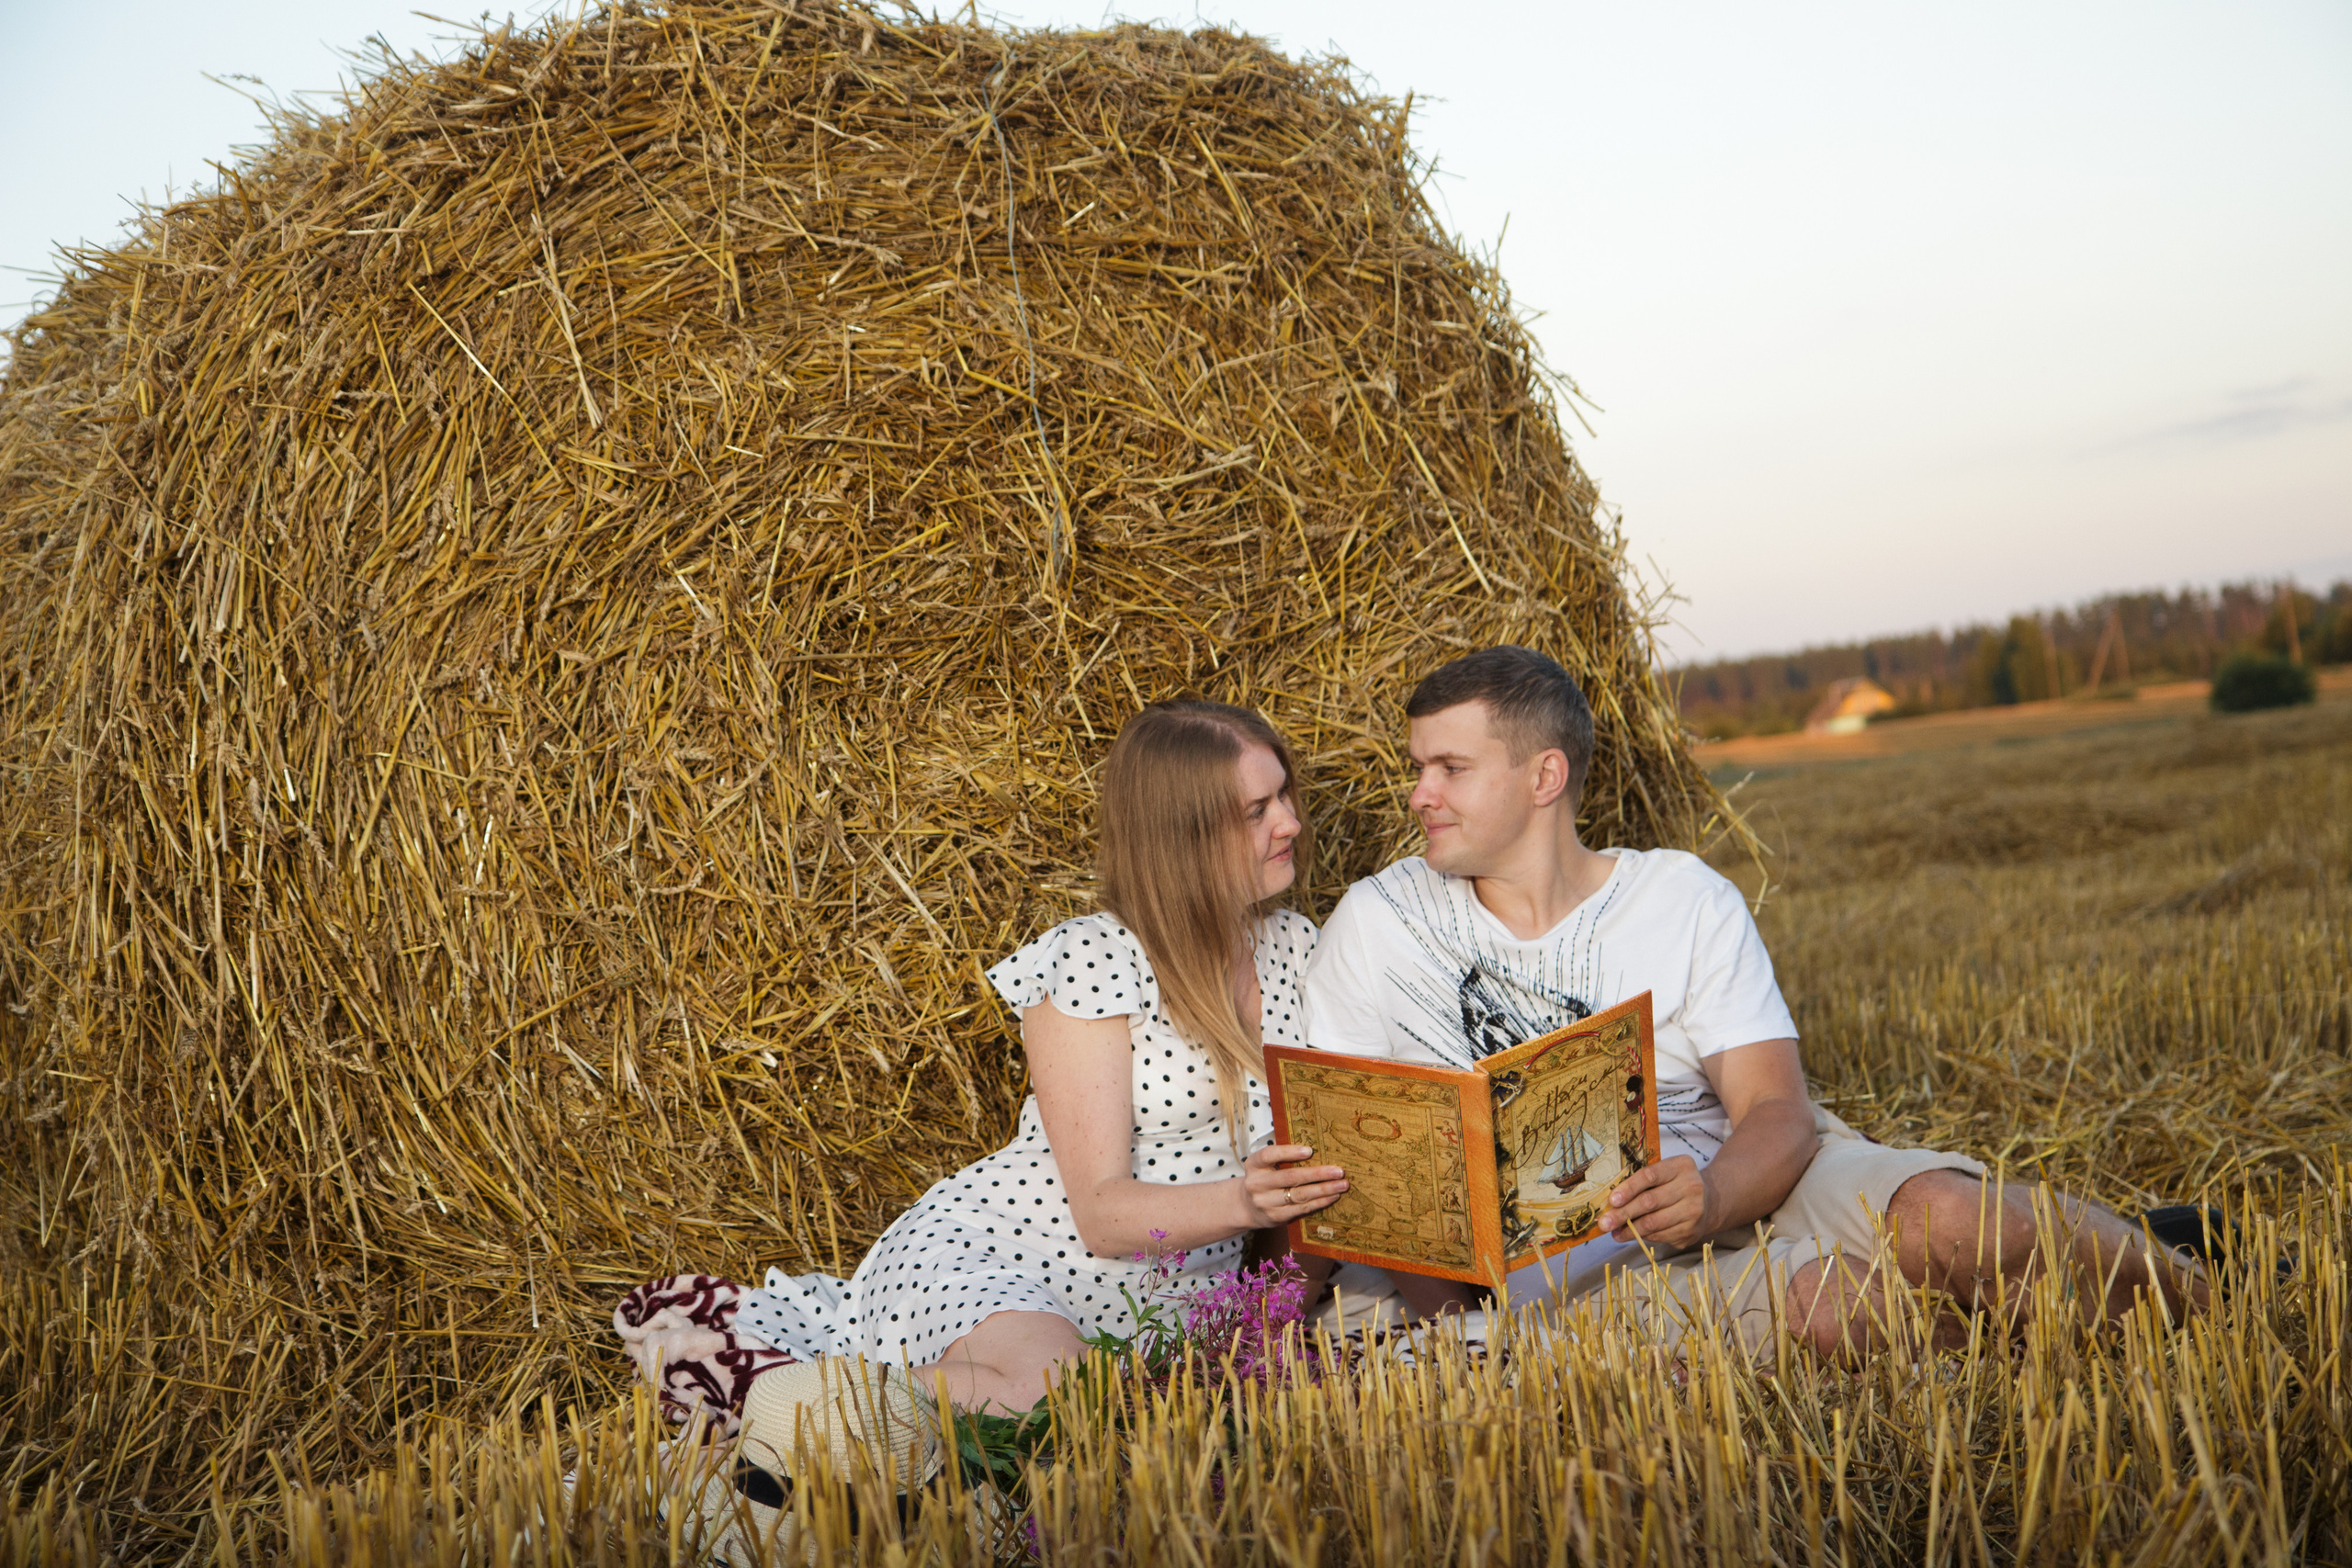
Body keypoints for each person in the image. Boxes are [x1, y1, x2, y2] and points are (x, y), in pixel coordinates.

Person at [1299, 646, 2207, 1359]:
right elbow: (1360, 1189)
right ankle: (2026, 1370)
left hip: (1746, 1183)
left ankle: (2210, 1299)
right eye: (1417, 766)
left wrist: (1712, 1195)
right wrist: (1466, 1312)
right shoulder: (1376, 924)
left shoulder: (1681, 899)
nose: (1419, 794)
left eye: (1448, 769)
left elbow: (1775, 1109)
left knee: (1959, 1222)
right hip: (1576, 1282)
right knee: (1839, 1313)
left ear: (1543, 778)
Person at [731, 700, 1347, 1413]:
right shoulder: (1093, 959)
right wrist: (1245, 1199)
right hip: (1010, 1258)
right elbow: (1103, 1213)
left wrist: (1267, 1319)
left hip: (1161, 1309)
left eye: (1285, 796)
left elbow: (1311, 1171)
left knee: (1110, 1420)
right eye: (1255, 810)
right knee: (1053, 1395)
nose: (1291, 822)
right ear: (1182, 833)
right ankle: (777, 1424)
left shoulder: (1298, 946)